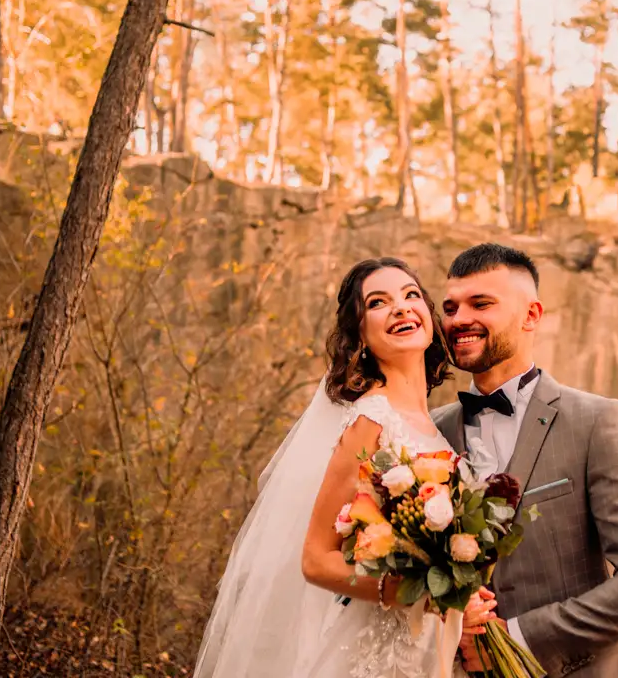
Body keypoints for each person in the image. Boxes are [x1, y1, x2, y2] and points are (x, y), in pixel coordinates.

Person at [192, 257, 494, 678]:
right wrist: (416, 592)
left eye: (411, 295)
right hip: (373, 656)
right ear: (361, 337)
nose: (401, 308)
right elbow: (316, 560)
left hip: (426, 653)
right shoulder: (370, 421)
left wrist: (459, 589)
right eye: (378, 302)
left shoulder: (436, 429)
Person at [433, 243, 618, 677]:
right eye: (451, 308)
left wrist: (516, 640)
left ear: (531, 315)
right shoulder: (429, 432)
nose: (459, 320)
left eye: (481, 304)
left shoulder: (597, 422)